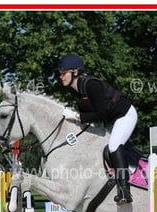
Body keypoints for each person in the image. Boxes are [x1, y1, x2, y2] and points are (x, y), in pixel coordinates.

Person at [57, 53, 137, 204]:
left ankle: (125, 192)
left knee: (114, 145)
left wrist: (76, 116)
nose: (61, 77)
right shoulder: (74, 90)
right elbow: (88, 114)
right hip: (111, 120)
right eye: (60, 73)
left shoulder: (91, 85)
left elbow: (101, 114)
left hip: (124, 115)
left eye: (63, 73)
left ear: (75, 72)